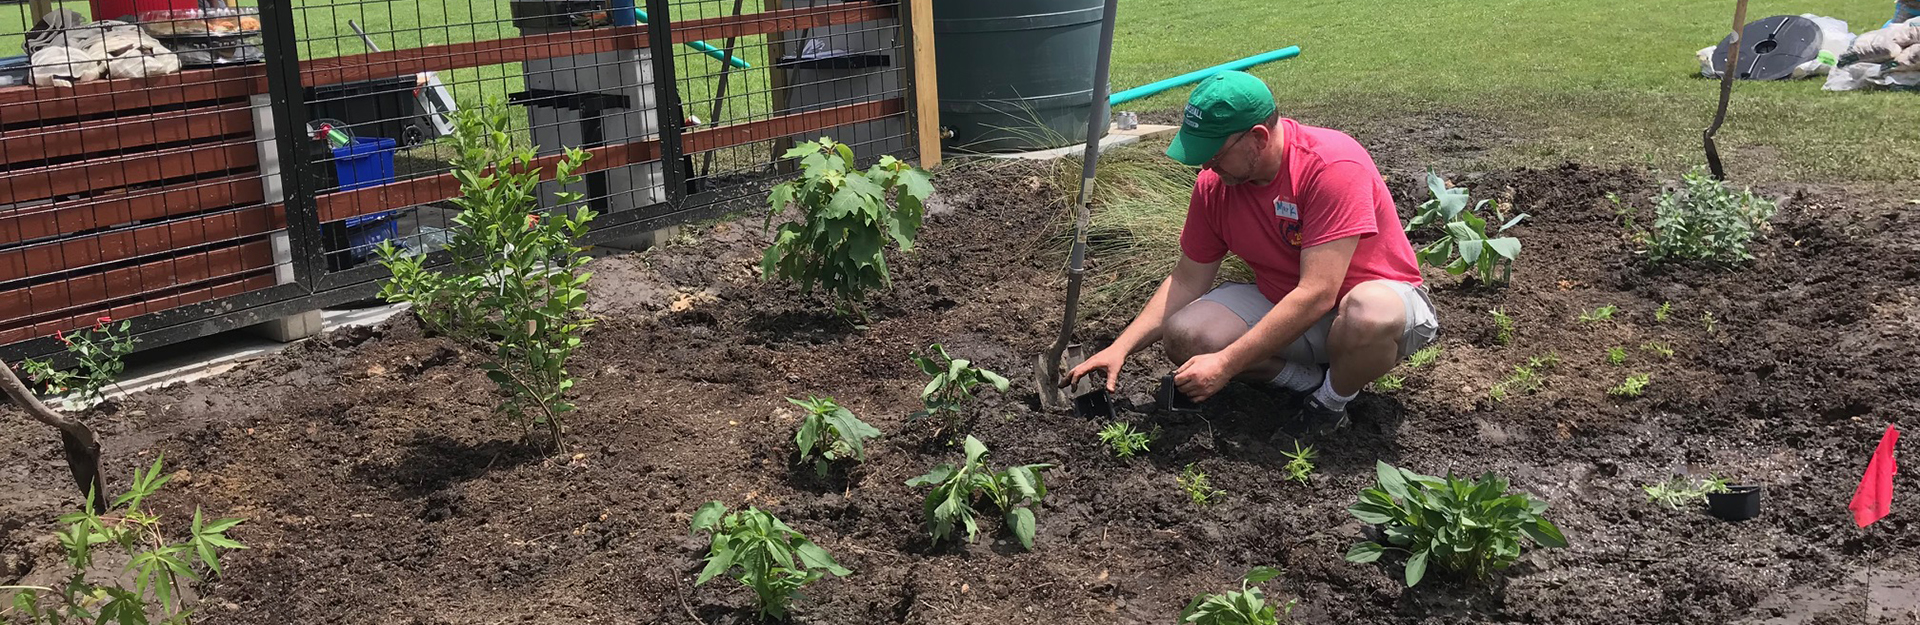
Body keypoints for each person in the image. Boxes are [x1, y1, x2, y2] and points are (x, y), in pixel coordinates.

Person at [1063, 71, 1439, 434]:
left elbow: (1318, 293)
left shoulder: (1330, 166)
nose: (1205, 164)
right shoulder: (1216, 186)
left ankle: (1330, 403)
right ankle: (1305, 381)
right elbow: (1187, 279)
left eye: (1214, 152)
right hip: (1287, 305)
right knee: (1185, 335)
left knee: (1366, 313)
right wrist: (1121, 348)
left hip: (1373, 310)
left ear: (1258, 137)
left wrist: (1226, 364)